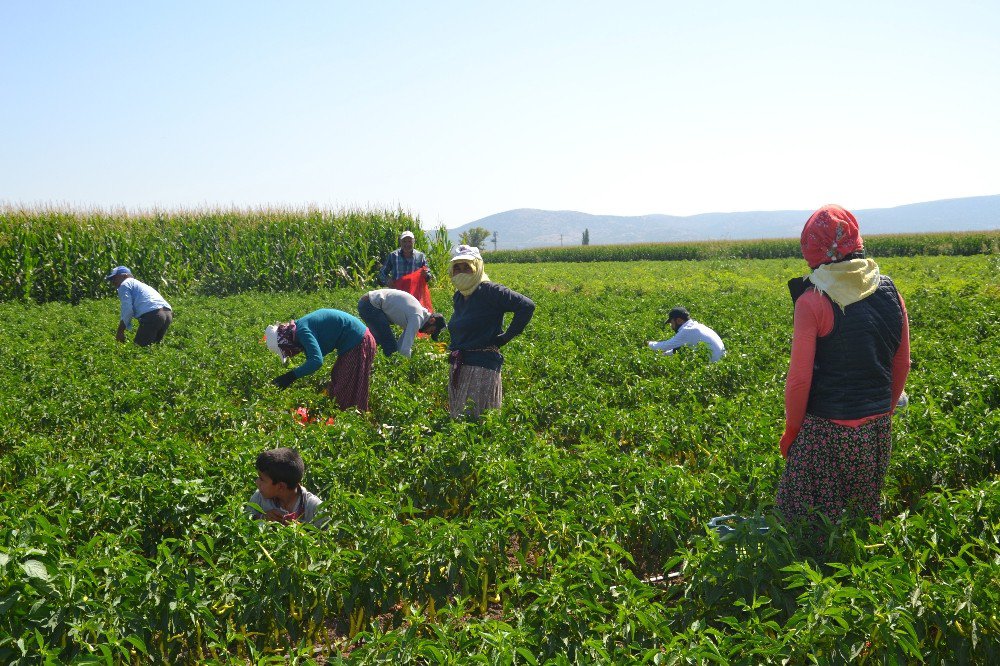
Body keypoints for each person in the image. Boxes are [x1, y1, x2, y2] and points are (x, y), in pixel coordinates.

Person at [776, 204, 911, 526]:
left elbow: (798, 380)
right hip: (877, 426)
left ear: (811, 248)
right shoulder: (890, 290)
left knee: (806, 522)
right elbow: (902, 363)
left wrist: (792, 431)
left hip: (826, 429)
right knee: (860, 520)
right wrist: (882, 412)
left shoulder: (813, 300)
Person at [446, 244, 534, 419]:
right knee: (459, 422)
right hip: (460, 364)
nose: (461, 271)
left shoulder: (490, 291)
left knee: (476, 423)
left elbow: (526, 306)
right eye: (457, 267)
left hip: (481, 368)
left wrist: (506, 337)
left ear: (477, 267)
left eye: (467, 267)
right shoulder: (460, 295)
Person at [264, 309, 376, 411]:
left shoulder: (302, 331)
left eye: (287, 351)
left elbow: (316, 361)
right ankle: (344, 415)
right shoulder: (299, 327)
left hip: (359, 342)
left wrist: (291, 376)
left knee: (345, 387)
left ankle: (353, 421)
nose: (291, 354)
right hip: (355, 342)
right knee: (338, 377)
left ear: (285, 341)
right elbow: (313, 356)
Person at [246, 447, 326, 527]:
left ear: (280, 486)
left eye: (262, 479)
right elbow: (244, 522)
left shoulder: (313, 507)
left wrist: (300, 530)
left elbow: (327, 536)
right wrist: (262, 518)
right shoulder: (259, 497)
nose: (257, 482)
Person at [357, 288, 446, 357]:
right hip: (370, 304)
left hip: (369, 303)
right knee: (390, 347)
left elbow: (401, 346)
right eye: (432, 331)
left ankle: (361, 360)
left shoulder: (417, 315)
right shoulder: (417, 317)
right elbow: (404, 350)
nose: (428, 333)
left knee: (378, 342)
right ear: (432, 320)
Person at [105, 266, 173, 346]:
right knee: (153, 349)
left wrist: (120, 331)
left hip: (153, 315)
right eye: (111, 279)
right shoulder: (141, 284)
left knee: (139, 350)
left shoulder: (124, 284)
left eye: (115, 278)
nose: (113, 282)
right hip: (168, 314)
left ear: (125, 276)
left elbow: (127, 309)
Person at [379, 230, 434, 309]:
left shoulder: (420, 256)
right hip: (398, 293)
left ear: (413, 242)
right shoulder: (393, 256)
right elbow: (381, 273)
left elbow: (428, 274)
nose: (407, 244)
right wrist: (387, 281)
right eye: (404, 241)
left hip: (414, 295)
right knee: (398, 316)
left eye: (409, 241)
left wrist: (426, 275)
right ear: (400, 242)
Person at [647, 307, 725, 362]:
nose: (671, 326)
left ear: (679, 320)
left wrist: (648, 344)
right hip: (722, 361)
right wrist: (666, 354)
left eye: (671, 322)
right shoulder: (697, 326)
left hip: (713, 366)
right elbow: (680, 349)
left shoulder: (687, 330)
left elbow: (665, 346)